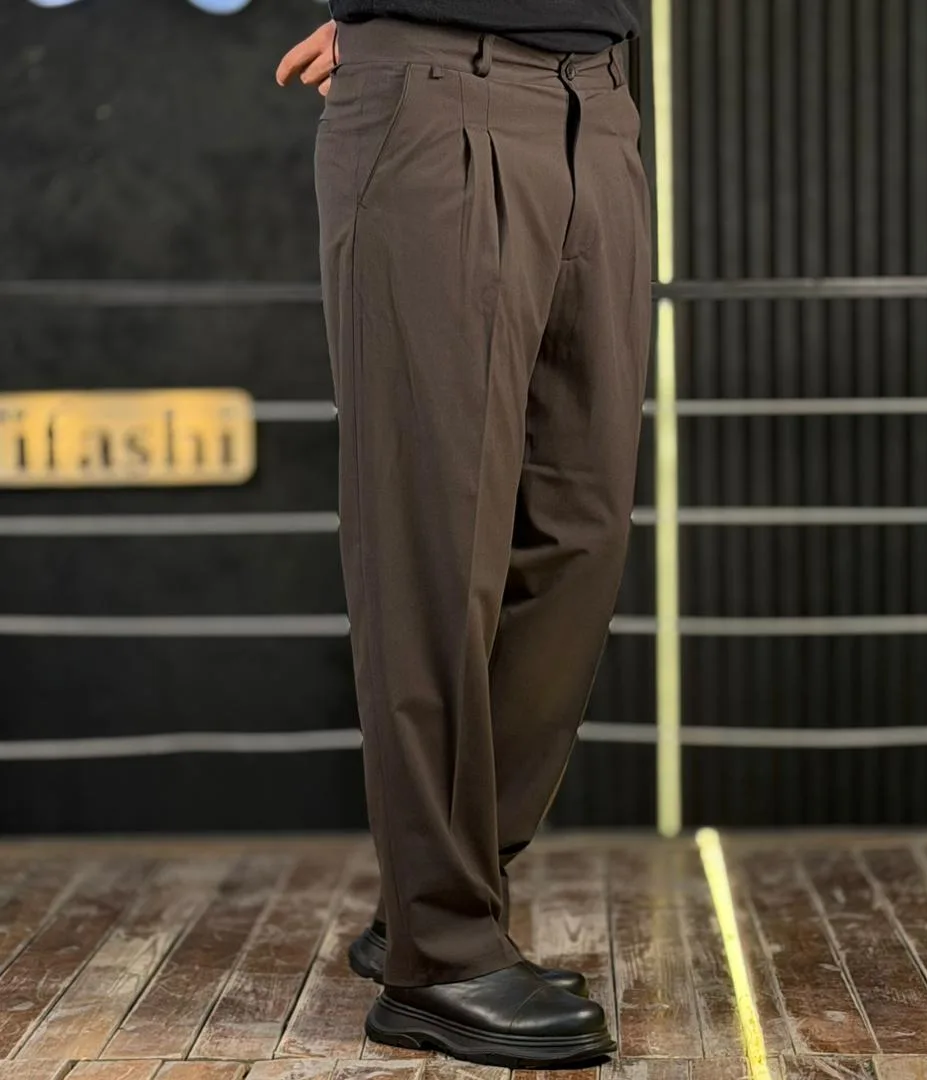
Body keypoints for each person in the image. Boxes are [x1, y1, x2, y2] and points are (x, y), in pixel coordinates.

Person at [276, 0, 648, 1068]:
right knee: (434, 554)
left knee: (577, 534)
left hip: (598, 104)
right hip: (439, 93)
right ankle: (438, 955)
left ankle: (435, 893)